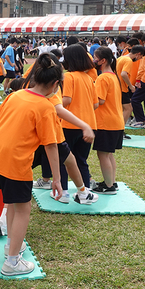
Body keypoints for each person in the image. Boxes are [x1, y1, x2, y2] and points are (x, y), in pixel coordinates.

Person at [0, 53, 62, 276]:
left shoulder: (16, 95)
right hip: (14, 161)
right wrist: (56, 179)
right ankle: (12, 262)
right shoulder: (46, 107)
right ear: (55, 84)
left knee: (11, 204)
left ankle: (12, 247)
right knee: (23, 209)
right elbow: (51, 146)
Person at [59, 44, 98, 196]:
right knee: (81, 160)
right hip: (89, 124)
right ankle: (85, 191)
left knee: (64, 159)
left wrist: (53, 108)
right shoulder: (89, 78)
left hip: (70, 124)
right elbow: (95, 104)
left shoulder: (69, 76)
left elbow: (66, 99)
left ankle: (63, 192)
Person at [91, 47, 125, 194]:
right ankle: (111, 181)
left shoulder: (103, 77)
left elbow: (100, 101)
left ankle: (109, 185)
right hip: (116, 121)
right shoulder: (113, 76)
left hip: (106, 122)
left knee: (103, 154)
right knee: (108, 154)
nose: (93, 60)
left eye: (95, 57)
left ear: (102, 60)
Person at [116, 45, 145, 137]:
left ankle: (119, 130)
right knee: (128, 109)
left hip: (118, 86)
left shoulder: (121, 58)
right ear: (138, 54)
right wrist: (131, 86)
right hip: (122, 88)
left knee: (123, 109)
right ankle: (120, 130)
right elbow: (124, 74)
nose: (139, 59)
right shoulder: (128, 60)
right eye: (140, 57)